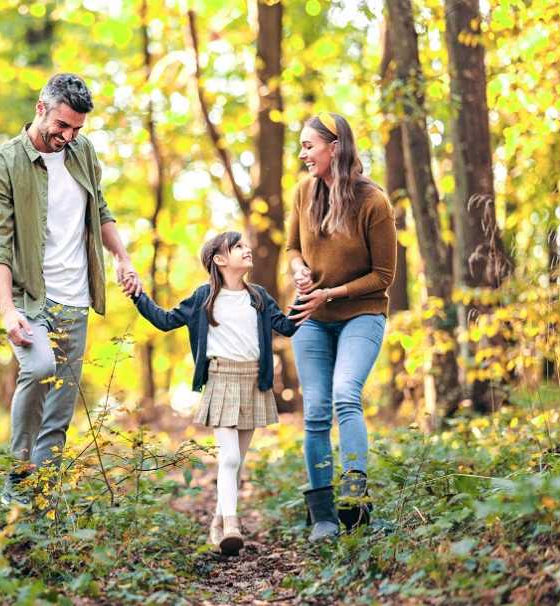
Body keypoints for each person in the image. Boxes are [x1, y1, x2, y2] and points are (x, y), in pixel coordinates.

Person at [0, 73, 142, 507]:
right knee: (37, 368)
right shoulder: (5, 164)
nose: (67, 137)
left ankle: (43, 498)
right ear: (41, 109)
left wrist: (122, 258)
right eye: (62, 126)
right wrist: (8, 310)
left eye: (77, 129)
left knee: (61, 407)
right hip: (30, 295)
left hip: (77, 297)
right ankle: (17, 481)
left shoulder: (82, 152)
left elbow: (100, 208)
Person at [130, 231, 297, 555]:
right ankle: (232, 524)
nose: (247, 250)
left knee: (238, 462)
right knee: (230, 457)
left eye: (246, 245)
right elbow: (165, 320)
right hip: (220, 380)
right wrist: (138, 296)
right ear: (219, 260)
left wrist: (307, 296)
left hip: (253, 381)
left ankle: (218, 523)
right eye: (238, 247)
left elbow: (287, 326)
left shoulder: (259, 296)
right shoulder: (203, 297)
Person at [286, 112, 397, 542]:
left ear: (335, 148)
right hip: (311, 319)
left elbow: (384, 276)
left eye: (309, 145)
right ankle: (323, 516)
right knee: (314, 411)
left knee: (344, 393)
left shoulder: (373, 201)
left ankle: (354, 494)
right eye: (300, 146)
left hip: (361, 314)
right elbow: (293, 247)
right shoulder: (304, 192)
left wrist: (330, 294)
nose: (303, 154)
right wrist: (299, 271)